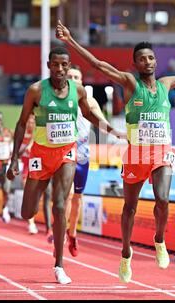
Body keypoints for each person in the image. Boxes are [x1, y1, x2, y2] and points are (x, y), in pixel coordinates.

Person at [56, 20, 175, 283]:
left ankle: (159, 240)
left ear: (156, 61)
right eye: (142, 59)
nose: (148, 62)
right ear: (136, 64)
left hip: (161, 152)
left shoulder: (166, 84)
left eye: (151, 58)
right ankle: (125, 253)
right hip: (136, 155)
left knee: (162, 199)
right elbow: (99, 65)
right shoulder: (130, 83)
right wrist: (71, 42)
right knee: (129, 207)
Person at [6, 45, 125, 284]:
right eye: (56, 64)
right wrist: (15, 159)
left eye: (64, 64)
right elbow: (21, 124)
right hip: (40, 154)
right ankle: (39, 193)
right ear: (49, 66)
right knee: (27, 211)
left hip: (66, 154)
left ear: (68, 66)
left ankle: (59, 264)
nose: (60, 69)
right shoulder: (36, 91)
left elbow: (91, 115)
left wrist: (113, 131)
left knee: (60, 205)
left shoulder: (78, 91)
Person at [63, 65, 107, 257]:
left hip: (82, 155)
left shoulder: (89, 100)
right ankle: (61, 231)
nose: (73, 79)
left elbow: (102, 122)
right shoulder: (60, 98)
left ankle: (72, 233)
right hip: (64, 153)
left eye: (76, 77)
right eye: (70, 76)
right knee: (67, 195)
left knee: (77, 199)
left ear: (81, 81)